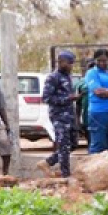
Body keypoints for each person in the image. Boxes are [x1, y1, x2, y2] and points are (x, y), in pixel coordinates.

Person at [37, 50, 80, 178]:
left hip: (70, 115)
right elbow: (46, 98)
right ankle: (65, 175)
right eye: (69, 63)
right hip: (59, 116)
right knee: (64, 145)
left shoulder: (68, 77)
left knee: (73, 144)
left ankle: (48, 162)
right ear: (60, 62)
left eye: (72, 63)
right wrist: (68, 98)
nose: (71, 66)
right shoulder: (53, 77)